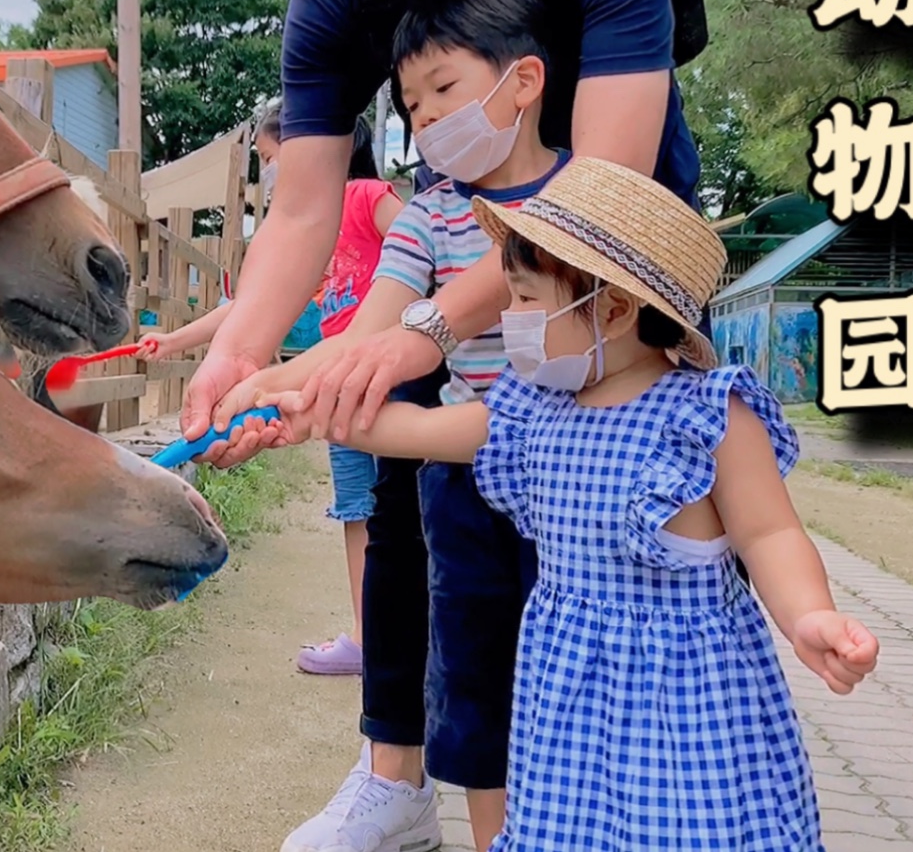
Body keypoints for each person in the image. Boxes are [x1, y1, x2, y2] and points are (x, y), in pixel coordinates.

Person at [261, 155, 881, 851]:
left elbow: (769, 535)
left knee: (693, 832)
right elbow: (420, 430)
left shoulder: (708, 415)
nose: (509, 317)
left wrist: (808, 615)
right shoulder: (533, 409)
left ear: (610, 310)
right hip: (565, 698)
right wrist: (309, 415)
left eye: (525, 299)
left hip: (689, 700)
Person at [189, 0, 705, 460]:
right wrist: (238, 357)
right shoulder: (331, 1)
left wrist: (431, 327)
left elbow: (597, 202)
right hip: (462, 247)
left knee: (653, 476)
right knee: (418, 495)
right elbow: (300, 210)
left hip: (616, 256)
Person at [242, 0, 567, 852]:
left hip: (579, 491)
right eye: (411, 107)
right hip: (467, 497)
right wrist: (268, 386)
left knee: (578, 696)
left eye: (443, 92)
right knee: (482, 699)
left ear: (523, 80)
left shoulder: (586, 198)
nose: (425, 123)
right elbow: (365, 334)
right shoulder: (427, 214)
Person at [144, 104, 404, 675]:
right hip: (337, 391)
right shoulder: (309, 231)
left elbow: (417, 243)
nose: (269, 173)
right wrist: (175, 341)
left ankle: (410, 640)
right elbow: (246, 308)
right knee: (359, 511)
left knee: (407, 514)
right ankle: (368, 638)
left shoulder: (363, 197)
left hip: (394, 377)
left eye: (267, 158)